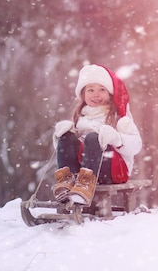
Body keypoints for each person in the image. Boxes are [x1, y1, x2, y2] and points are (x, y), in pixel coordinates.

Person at [51, 64, 142, 206]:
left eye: (102, 89)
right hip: (81, 172)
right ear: (83, 94)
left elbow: (136, 146)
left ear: (109, 93)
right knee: (67, 137)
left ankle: (85, 184)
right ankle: (67, 181)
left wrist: (116, 139)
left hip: (113, 171)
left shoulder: (119, 117)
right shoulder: (80, 117)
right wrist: (61, 136)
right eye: (90, 90)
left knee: (93, 137)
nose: (96, 94)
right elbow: (66, 151)